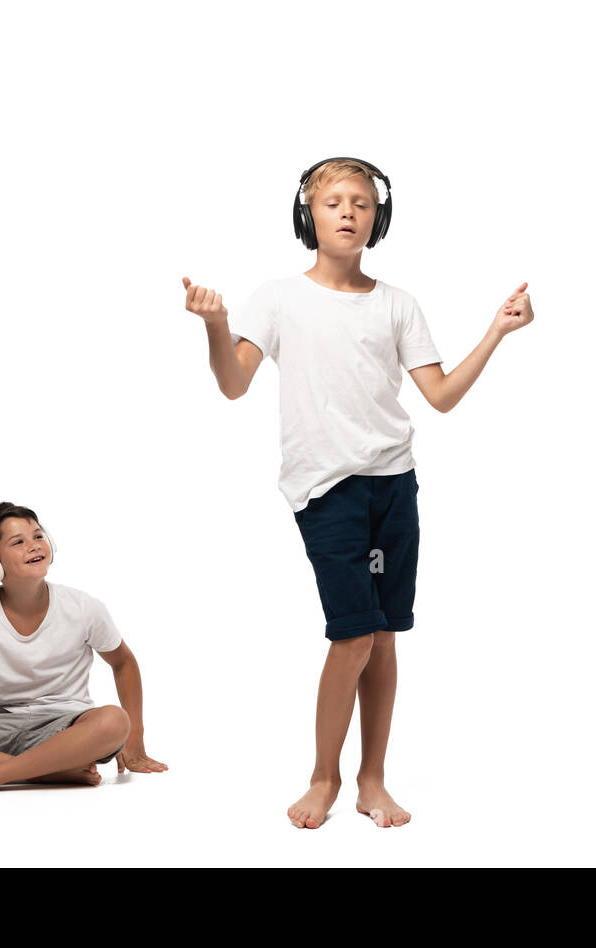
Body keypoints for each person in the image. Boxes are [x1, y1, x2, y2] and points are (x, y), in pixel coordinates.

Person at [182, 157, 534, 828]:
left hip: (393, 484)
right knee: (352, 636)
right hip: (326, 489)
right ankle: (324, 776)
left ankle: (373, 781)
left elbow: (440, 396)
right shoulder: (279, 297)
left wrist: (497, 331)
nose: (348, 211)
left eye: (363, 203)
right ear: (307, 214)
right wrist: (214, 326)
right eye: (334, 200)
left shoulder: (397, 303)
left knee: (383, 632)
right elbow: (234, 383)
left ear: (380, 218)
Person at [0, 501, 167, 794]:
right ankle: (51, 773)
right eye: (18, 542)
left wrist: (135, 737)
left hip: (65, 727)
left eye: (38, 536)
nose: (34, 546)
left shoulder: (84, 607)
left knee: (114, 721)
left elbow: (123, 663)